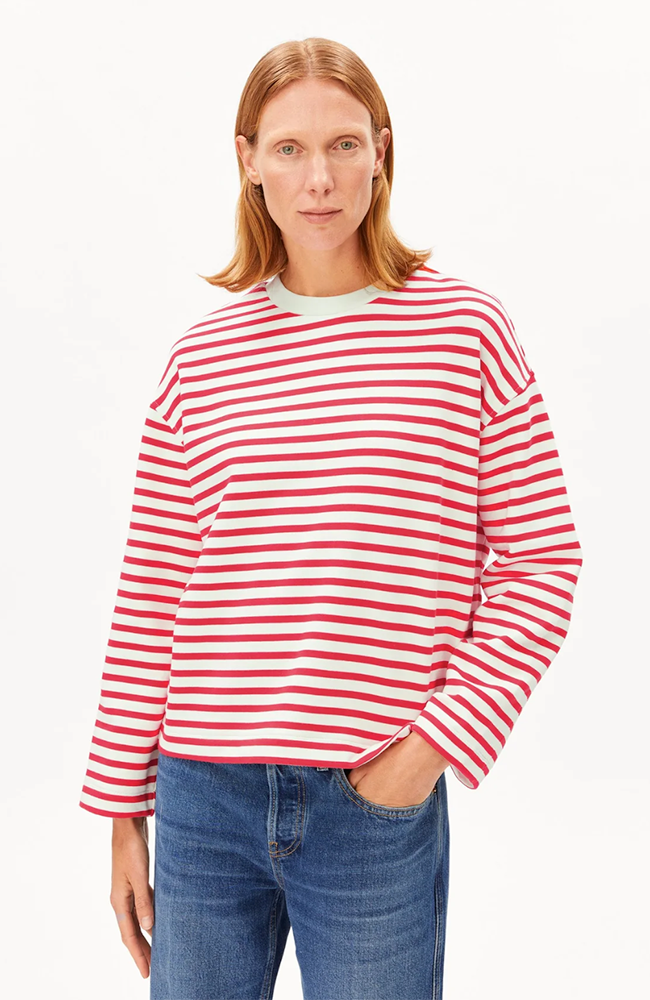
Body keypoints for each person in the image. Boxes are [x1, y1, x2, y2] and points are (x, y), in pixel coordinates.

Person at [78, 37, 583, 1000]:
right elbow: (152, 593)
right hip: (201, 796)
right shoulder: (201, 360)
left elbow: (541, 565)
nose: (319, 178)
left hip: (372, 792)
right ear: (247, 161)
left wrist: (427, 753)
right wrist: (122, 813)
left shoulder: (464, 332)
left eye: (345, 144)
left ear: (382, 151)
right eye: (289, 148)